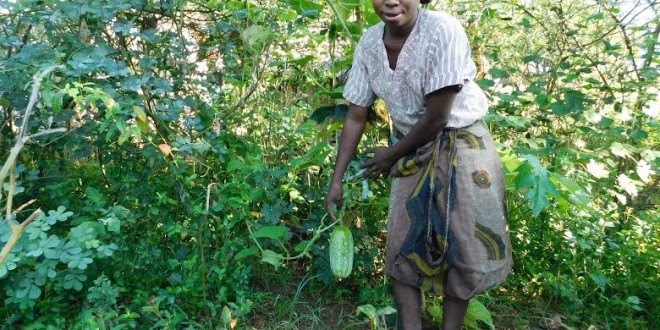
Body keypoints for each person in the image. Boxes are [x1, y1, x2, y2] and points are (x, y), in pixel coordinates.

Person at [325, 0, 512, 329]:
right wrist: (336, 180)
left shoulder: (443, 31)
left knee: (463, 244)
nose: (391, 1)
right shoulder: (369, 43)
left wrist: (391, 155)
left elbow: (438, 117)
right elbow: (356, 116)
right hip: (410, 145)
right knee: (402, 243)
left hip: (462, 140)